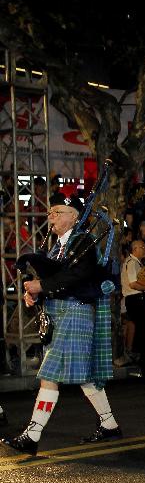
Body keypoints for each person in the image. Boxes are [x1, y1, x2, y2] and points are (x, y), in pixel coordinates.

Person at [2, 189, 122, 455]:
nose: (51, 217)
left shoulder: (84, 242)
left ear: (73, 216)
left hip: (75, 314)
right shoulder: (57, 246)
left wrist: (41, 285)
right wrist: (34, 294)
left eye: (57, 212)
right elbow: (56, 281)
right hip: (61, 314)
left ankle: (32, 435)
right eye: (50, 212)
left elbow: (76, 276)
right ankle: (110, 424)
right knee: (87, 377)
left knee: (49, 375)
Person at [122, 239, 145, 378]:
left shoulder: (136, 263)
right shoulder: (132, 263)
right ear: (136, 248)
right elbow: (134, 285)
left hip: (137, 300)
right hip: (135, 300)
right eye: (143, 247)